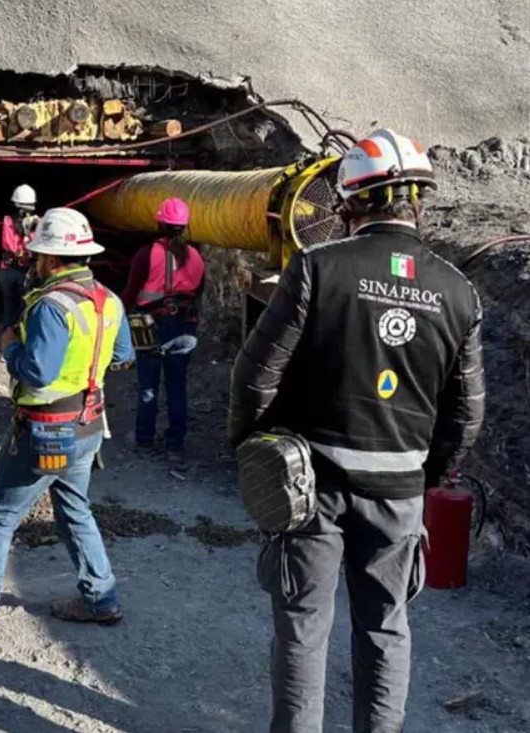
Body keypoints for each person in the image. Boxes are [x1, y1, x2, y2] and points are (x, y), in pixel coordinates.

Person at [228, 129, 485, 733]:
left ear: (347, 203)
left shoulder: (317, 268)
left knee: (302, 627)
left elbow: (255, 376)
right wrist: (424, 475)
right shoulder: (459, 292)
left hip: (312, 489)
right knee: (386, 628)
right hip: (398, 493)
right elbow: (467, 414)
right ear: (417, 202)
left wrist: (252, 450)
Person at [0, 207, 135, 645]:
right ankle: (101, 598)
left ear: (52, 259)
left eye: (37, 255)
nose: (33, 262)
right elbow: (123, 356)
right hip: (88, 426)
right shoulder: (109, 300)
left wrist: (9, 346)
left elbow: (38, 372)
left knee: (0, 519)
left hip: (44, 431)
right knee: (75, 509)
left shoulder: (51, 306)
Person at [121, 197, 205, 472]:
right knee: (177, 386)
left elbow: (131, 292)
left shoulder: (147, 254)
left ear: (159, 223)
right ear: (185, 226)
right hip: (185, 326)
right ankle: (175, 445)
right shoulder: (196, 256)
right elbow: (199, 291)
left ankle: (144, 440)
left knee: (148, 386)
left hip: (152, 326)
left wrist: (122, 317)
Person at [0, 184, 40, 329]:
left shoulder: (34, 222)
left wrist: (30, 232)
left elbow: (9, 244)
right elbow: (10, 245)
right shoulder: (9, 220)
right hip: (15, 268)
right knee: (20, 307)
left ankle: (10, 335)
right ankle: (15, 336)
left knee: (16, 307)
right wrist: (27, 235)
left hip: (16, 269)